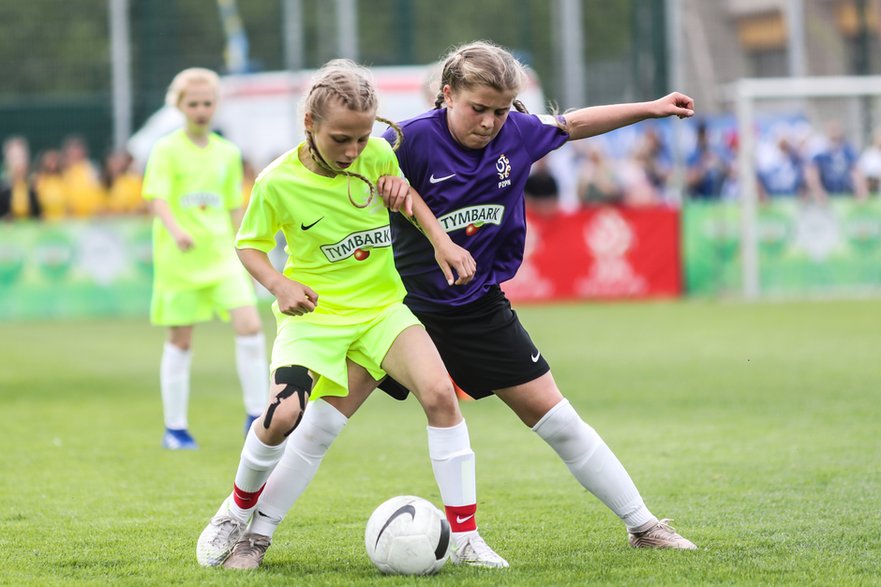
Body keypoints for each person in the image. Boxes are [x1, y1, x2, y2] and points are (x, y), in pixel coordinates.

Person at [371, 40, 697, 550]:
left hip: (476, 306)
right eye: (478, 108)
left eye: (501, 111)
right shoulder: (406, 141)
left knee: (557, 417)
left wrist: (651, 108)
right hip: (394, 309)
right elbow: (346, 164)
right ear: (447, 94)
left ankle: (644, 526)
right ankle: (247, 528)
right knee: (313, 417)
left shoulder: (517, 135)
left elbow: (573, 124)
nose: (490, 121)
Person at [196, 59, 507, 570]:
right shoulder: (277, 182)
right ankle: (236, 512)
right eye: (342, 139)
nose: (353, 151)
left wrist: (442, 244)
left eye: (362, 139)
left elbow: (409, 201)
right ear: (310, 126)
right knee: (282, 419)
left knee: (439, 396)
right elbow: (248, 246)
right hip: (316, 317)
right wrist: (279, 284)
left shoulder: (377, 155)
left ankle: (468, 538)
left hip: (383, 311)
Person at [141, 68, 268, 450]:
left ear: (216, 105)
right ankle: (175, 429)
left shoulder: (227, 153)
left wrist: (246, 245)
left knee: (250, 326)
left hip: (221, 257)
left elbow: (233, 207)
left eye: (207, 103)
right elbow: (156, 198)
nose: (200, 110)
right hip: (179, 262)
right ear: (178, 105)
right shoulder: (166, 149)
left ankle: (257, 416)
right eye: (192, 103)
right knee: (180, 340)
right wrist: (176, 229)